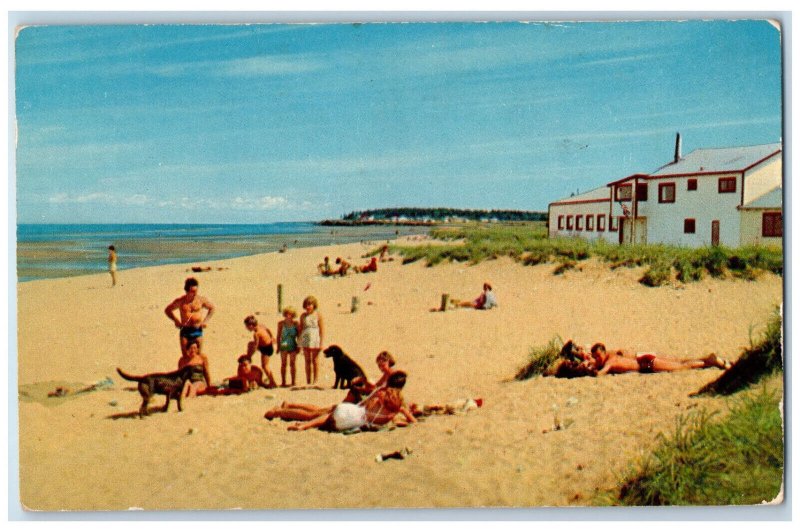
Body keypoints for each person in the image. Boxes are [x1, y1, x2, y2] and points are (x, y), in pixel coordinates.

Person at [283, 371, 417, 432]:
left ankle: (289, 407)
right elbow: (412, 420)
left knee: (315, 412)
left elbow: (365, 401)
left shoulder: (381, 392)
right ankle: (289, 409)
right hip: (353, 415)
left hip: (351, 409)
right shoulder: (398, 404)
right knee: (315, 414)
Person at [590, 343, 731, 375]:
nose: (597, 359)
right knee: (680, 361)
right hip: (643, 356)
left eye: (598, 356)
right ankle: (708, 359)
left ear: (603, 352)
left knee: (681, 367)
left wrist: (593, 371)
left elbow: (601, 374)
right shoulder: (612, 353)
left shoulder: (610, 361)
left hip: (646, 363)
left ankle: (709, 362)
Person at [164, 277, 215, 357]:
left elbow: (212, 308)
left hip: (197, 330)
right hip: (185, 331)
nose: (195, 293)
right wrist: (176, 320)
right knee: (186, 357)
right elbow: (167, 310)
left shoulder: (201, 300)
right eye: (193, 291)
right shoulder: (181, 301)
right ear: (187, 291)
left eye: (196, 291)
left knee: (197, 356)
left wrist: (205, 321)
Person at [243, 315, 277, 388]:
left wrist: (250, 355)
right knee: (250, 344)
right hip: (268, 345)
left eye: (247, 326)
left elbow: (256, 346)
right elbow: (268, 329)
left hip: (266, 348)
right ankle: (248, 357)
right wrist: (272, 337)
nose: (246, 328)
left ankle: (273, 382)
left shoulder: (256, 334)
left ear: (251, 326)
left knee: (265, 366)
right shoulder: (261, 325)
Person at [298, 296, 324, 384]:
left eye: (310, 304)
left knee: (315, 360)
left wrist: (321, 342)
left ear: (314, 305)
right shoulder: (303, 315)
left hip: (315, 337)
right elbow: (300, 328)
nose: (308, 306)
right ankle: (308, 380)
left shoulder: (318, 315)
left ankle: (315, 380)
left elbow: (321, 329)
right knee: (307, 360)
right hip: (306, 338)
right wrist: (299, 341)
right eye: (306, 305)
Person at [277, 307, 300, 387]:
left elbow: (299, 336)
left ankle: (293, 381)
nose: (288, 316)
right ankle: (283, 382)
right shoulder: (281, 324)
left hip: (293, 343)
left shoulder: (296, 324)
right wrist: (278, 346)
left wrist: (299, 346)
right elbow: (278, 335)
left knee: (292, 363)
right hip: (284, 344)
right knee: (283, 364)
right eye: (287, 314)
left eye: (290, 314)